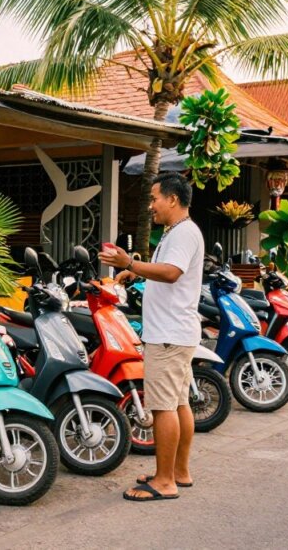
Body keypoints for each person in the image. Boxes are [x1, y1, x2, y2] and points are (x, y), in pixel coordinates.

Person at [99, 173, 204, 502]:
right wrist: (138, 268)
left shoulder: (184, 233)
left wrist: (129, 261)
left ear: (173, 199)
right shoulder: (176, 232)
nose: (150, 205)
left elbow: (172, 273)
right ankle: (178, 472)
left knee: (162, 408)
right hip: (176, 331)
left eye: (155, 198)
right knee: (179, 403)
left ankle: (163, 482)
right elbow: (166, 270)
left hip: (169, 335)